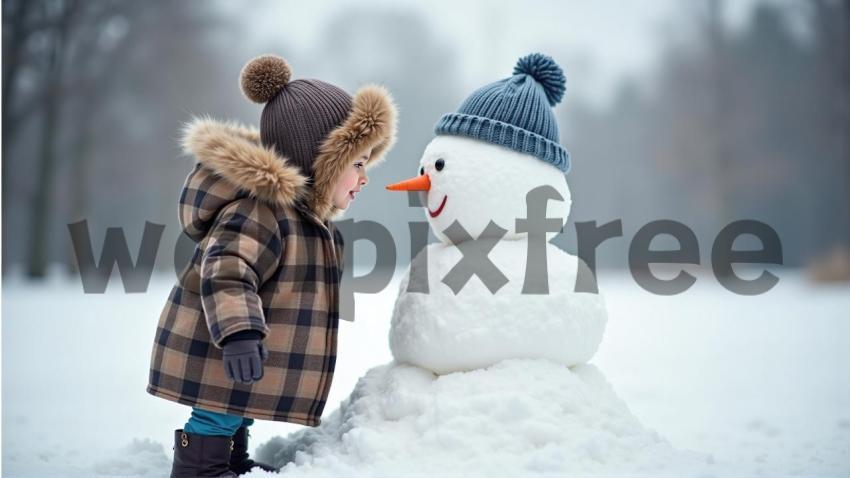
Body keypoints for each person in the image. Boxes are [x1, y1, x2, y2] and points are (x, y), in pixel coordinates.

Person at [146, 54, 397, 477]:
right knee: (217, 410)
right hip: (223, 344)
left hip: (241, 353)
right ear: (320, 162)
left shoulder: (304, 221)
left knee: (237, 405)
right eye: (357, 164)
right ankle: (199, 469)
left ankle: (231, 458)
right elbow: (226, 269)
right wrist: (240, 332)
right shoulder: (260, 212)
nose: (365, 177)